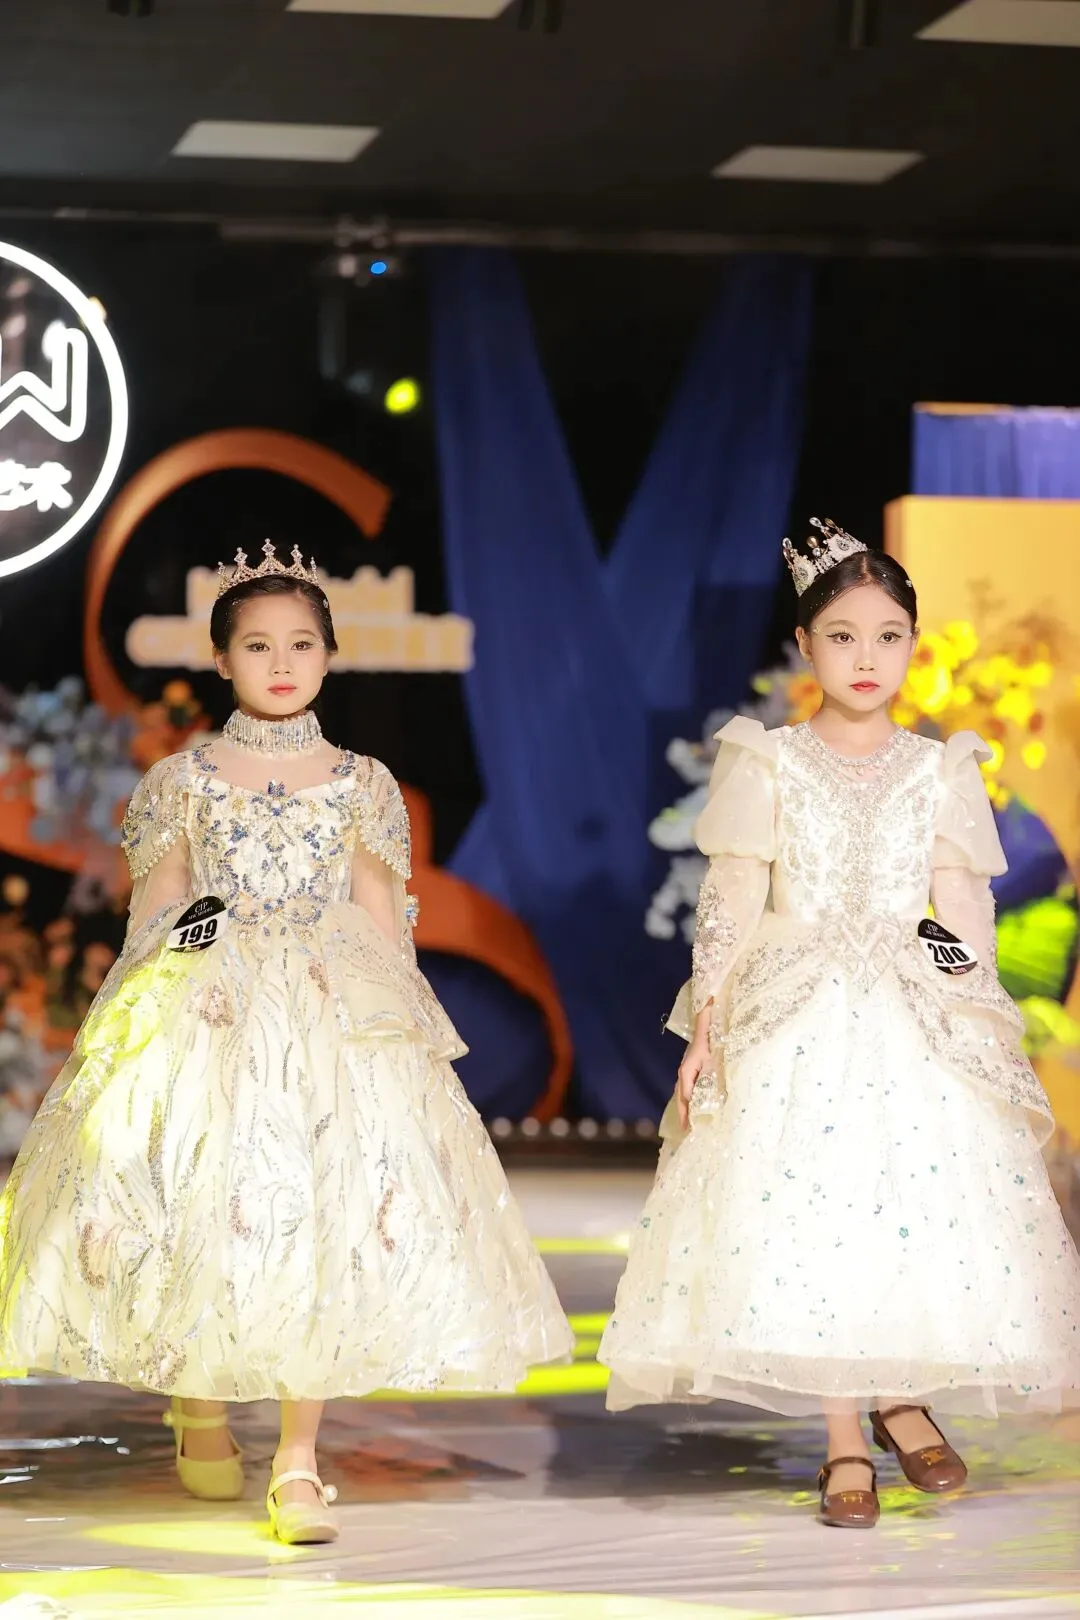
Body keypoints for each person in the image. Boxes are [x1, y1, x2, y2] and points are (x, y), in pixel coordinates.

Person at [0, 541, 573, 1545]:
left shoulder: (362, 783)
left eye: (301, 644)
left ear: (329, 656)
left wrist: (396, 1036)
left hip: (328, 1016)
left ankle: (299, 1462)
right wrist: (152, 1007)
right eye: (257, 645)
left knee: (320, 1219)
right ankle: (201, 1401)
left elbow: (385, 919)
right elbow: (158, 912)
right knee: (202, 1207)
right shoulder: (183, 778)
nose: (280, 663)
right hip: (209, 1009)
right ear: (222, 659)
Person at [599, 519, 1080, 1528]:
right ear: (806, 646)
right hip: (796, 1009)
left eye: (889, 636)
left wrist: (975, 1008)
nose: (867, 657)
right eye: (844, 636)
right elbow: (732, 899)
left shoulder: (941, 767)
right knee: (810, 1217)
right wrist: (709, 1023)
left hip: (910, 1010)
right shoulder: (768, 758)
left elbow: (961, 911)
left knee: (908, 1203)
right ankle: (844, 1440)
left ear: (913, 646)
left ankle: (901, 1393)